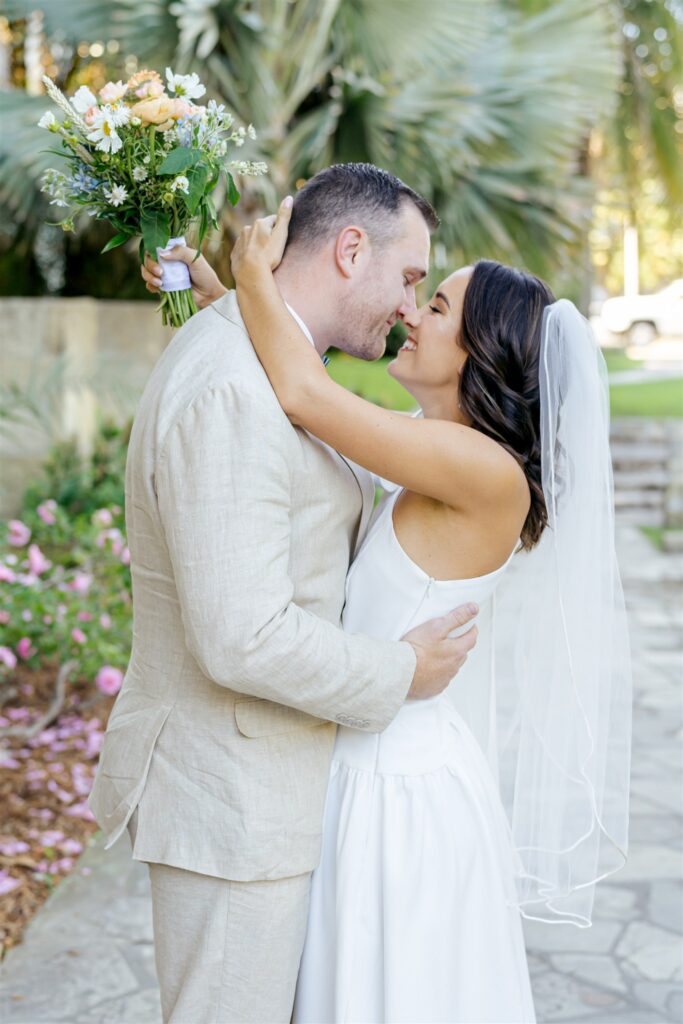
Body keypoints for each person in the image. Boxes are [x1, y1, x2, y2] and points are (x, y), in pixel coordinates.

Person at [221, 198, 632, 1024]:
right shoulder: (431, 442)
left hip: (394, 791)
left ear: (478, 350)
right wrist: (220, 305)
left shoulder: (481, 471)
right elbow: (312, 407)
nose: (409, 311)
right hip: (371, 765)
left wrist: (248, 273)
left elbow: (305, 396)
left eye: (435, 305)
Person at [89, 163, 480, 1024]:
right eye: (410, 278)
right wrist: (399, 673)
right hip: (235, 808)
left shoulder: (260, 353)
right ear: (349, 249)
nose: (411, 308)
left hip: (270, 796)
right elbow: (241, 635)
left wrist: (218, 281)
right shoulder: (234, 388)